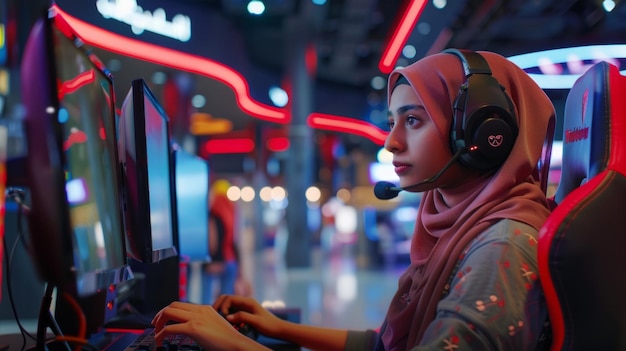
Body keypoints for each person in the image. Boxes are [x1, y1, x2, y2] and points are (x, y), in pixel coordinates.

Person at [151, 49, 556, 351]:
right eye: (392, 122)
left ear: (482, 136)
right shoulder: (463, 229)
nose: (391, 142)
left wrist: (236, 345)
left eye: (413, 120)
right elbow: (382, 345)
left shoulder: (501, 246)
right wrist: (277, 327)